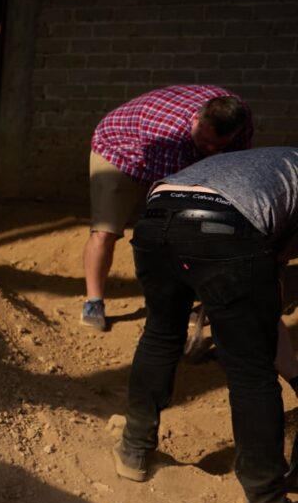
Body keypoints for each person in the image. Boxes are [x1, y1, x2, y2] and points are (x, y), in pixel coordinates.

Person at [116, 146, 298, 503]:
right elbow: (269, 299)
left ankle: (133, 451)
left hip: (155, 221)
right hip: (225, 231)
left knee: (162, 334)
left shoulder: (275, 166)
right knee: (251, 373)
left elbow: (270, 292)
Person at [82, 86, 252, 331]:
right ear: (195, 119)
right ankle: (93, 302)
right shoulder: (165, 133)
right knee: (105, 230)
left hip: (171, 151)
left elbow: (234, 166)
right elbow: (166, 198)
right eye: (205, 142)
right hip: (119, 150)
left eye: (219, 144)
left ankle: (200, 297)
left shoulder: (240, 117)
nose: (212, 150)